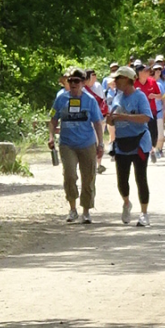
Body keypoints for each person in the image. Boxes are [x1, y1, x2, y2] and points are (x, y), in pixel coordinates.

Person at [49, 68, 105, 223]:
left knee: (88, 178)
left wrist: (100, 143)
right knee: (70, 175)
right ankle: (72, 209)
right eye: (70, 81)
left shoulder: (90, 100)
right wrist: (51, 136)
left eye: (76, 81)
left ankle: (86, 211)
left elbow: (97, 123)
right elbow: (53, 119)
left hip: (87, 143)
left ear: (83, 83)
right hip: (67, 144)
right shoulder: (61, 99)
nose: (73, 84)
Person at [108, 66, 152, 227]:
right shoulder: (116, 97)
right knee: (121, 180)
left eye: (118, 79)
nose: (115, 82)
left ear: (127, 79)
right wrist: (111, 119)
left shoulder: (140, 96)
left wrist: (124, 116)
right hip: (122, 143)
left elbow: (146, 117)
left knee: (140, 178)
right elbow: (113, 118)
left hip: (139, 142)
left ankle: (144, 213)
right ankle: (126, 202)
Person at [134, 61, 161, 162]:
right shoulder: (134, 83)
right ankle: (142, 152)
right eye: (145, 71)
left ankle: (152, 149)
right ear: (139, 73)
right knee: (141, 133)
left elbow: (160, 95)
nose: (148, 72)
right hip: (138, 113)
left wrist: (154, 96)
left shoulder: (152, 82)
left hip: (151, 111)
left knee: (153, 133)